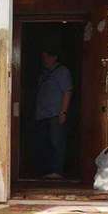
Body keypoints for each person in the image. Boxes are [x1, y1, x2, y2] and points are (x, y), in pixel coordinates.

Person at [34, 47, 73, 179]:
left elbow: (67, 92)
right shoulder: (44, 73)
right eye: (43, 57)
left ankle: (57, 171)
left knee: (57, 142)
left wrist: (63, 112)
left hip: (55, 114)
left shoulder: (62, 72)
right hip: (42, 114)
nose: (44, 60)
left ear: (54, 57)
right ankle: (46, 171)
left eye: (47, 57)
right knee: (44, 143)